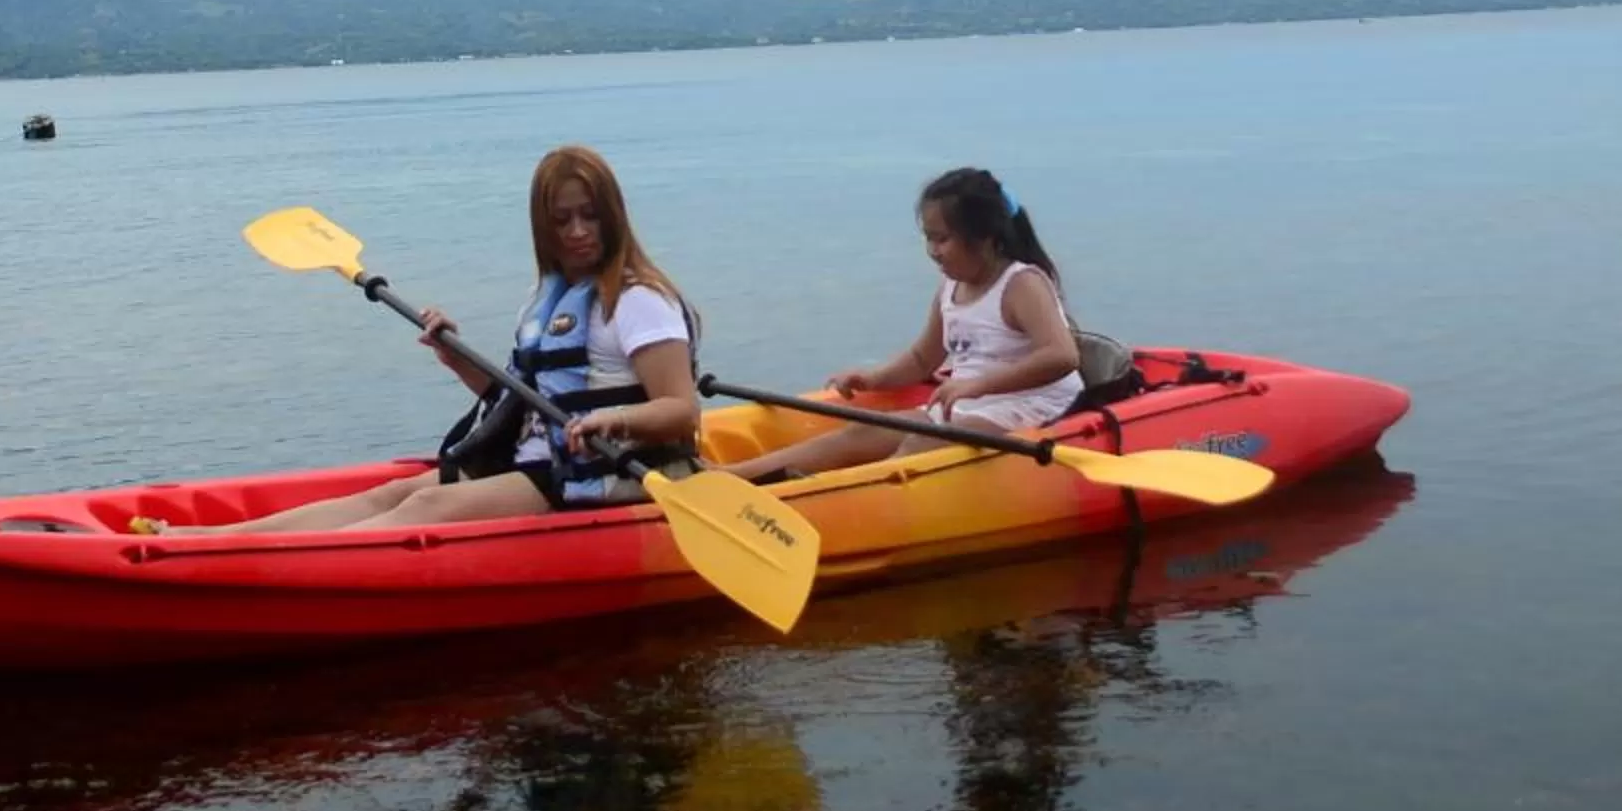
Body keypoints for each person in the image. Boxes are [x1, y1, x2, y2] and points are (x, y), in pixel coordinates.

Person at [182, 145, 704, 533]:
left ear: (613, 217)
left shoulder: (638, 300)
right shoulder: (546, 299)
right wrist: (456, 356)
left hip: (607, 473)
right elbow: (520, 402)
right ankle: (213, 540)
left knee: (427, 506)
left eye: (590, 215)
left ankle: (272, 565)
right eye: (561, 219)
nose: (577, 231)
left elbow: (681, 411)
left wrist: (613, 420)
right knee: (395, 493)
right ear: (543, 227)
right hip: (541, 464)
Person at [723, 167, 1081, 483]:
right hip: (970, 402)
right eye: (928, 238)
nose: (933, 250)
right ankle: (734, 476)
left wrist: (977, 385)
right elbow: (922, 359)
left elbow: (1062, 356)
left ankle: (825, 497)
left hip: (1033, 404)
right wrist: (873, 378)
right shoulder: (951, 288)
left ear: (985, 237)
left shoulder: (1021, 284)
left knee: (921, 443)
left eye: (943, 239)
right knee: (861, 433)